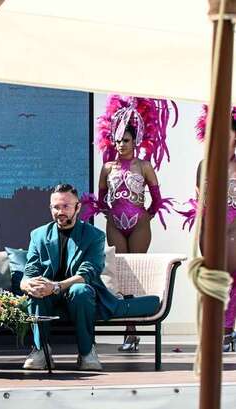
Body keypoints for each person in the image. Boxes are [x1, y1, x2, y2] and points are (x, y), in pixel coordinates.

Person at [21, 184, 159, 371]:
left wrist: (55, 286)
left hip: (78, 292)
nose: (60, 211)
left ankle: (86, 352)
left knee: (81, 290)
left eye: (66, 206)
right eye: (56, 207)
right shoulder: (38, 235)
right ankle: (40, 351)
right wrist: (27, 285)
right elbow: (29, 271)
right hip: (48, 295)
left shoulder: (94, 236)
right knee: (36, 290)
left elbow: (89, 273)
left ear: (78, 207)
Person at [87, 96, 174, 352]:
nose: (120, 144)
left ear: (135, 141)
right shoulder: (107, 168)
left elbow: (157, 200)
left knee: (135, 270)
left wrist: (144, 215)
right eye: (116, 139)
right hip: (115, 223)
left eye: (125, 140)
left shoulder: (145, 166)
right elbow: (100, 200)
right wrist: (109, 213)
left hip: (139, 225)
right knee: (120, 271)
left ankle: (132, 330)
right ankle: (130, 332)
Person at [179, 105, 236, 351]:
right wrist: (202, 235)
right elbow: (200, 205)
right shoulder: (204, 165)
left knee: (232, 279)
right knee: (214, 280)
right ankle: (220, 332)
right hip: (212, 230)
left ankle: (226, 332)